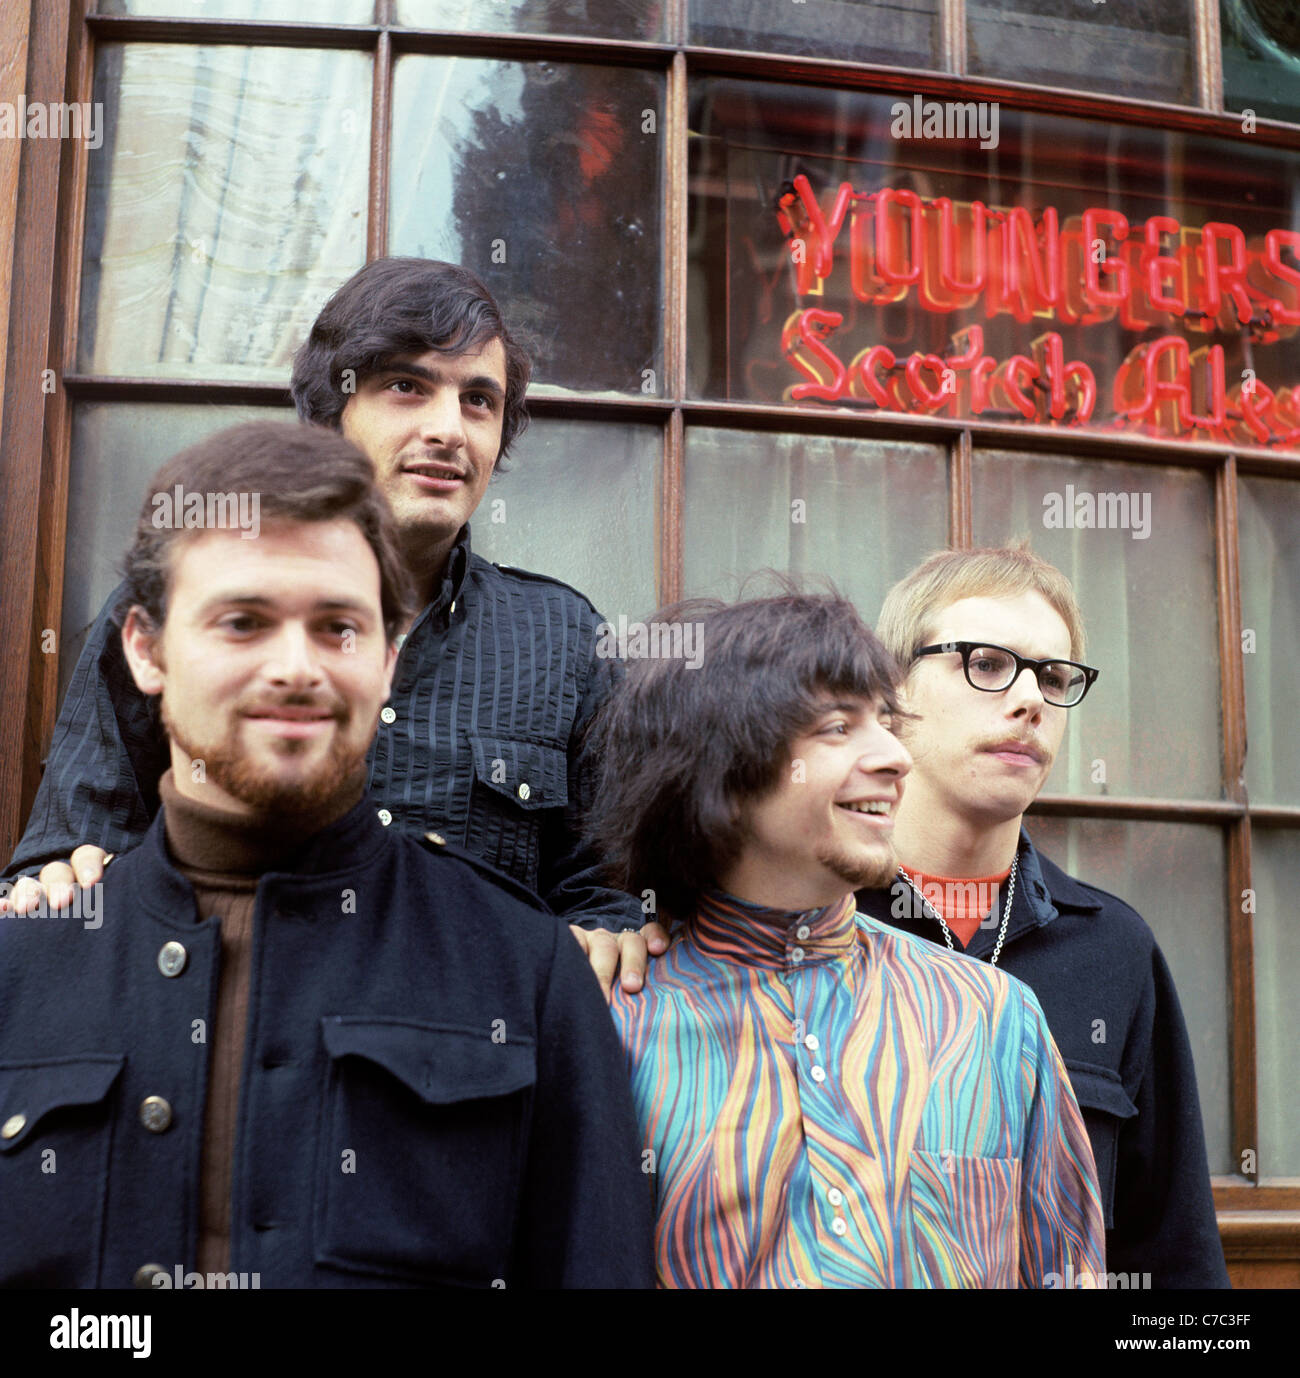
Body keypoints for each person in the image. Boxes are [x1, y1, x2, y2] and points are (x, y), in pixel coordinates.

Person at [0, 421, 654, 1289]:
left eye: (338, 628)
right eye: (242, 622)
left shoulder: (528, 977)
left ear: (387, 660)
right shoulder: (23, 968)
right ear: (146, 650)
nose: (296, 668)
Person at [3, 258, 663, 990]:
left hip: (465, 1069)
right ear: (330, 411)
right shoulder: (186, 607)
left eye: (479, 401)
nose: (448, 430)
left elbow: (605, 893)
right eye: (407, 387)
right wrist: (56, 891)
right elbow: (68, 857)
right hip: (210, 1040)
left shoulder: (563, 639)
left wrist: (608, 940)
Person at [589, 589, 1105, 1288]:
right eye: (838, 727)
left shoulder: (996, 1019)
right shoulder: (610, 1026)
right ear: (720, 769)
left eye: (887, 723)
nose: (896, 757)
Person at [855, 544, 1228, 1289]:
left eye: (1054, 677)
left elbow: (1174, 1258)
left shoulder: (1113, 948)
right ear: (892, 692)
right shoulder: (810, 921)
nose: (1030, 700)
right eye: (987, 664)